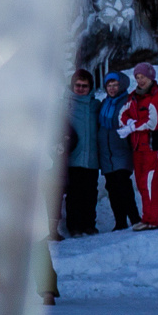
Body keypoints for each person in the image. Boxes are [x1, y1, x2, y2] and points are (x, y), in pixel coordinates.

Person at [115, 63, 158, 230]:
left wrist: (132, 127)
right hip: (138, 147)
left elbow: (153, 122)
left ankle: (151, 220)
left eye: (143, 77)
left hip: (154, 146)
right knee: (142, 183)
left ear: (151, 77)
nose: (140, 80)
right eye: (137, 77)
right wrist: (128, 122)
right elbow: (123, 113)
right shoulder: (134, 96)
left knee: (149, 182)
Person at [61, 71, 101, 236]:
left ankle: (89, 225)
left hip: (92, 159)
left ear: (90, 87)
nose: (80, 88)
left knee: (91, 194)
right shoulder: (65, 105)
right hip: (73, 158)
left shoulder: (96, 106)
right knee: (74, 195)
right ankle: (74, 226)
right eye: (78, 85)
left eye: (84, 86)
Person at [98, 72, 139, 231]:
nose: (112, 88)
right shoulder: (104, 104)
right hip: (106, 154)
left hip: (122, 151)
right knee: (112, 188)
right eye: (109, 85)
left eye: (115, 85)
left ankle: (135, 218)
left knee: (123, 185)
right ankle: (120, 221)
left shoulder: (128, 102)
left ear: (122, 85)